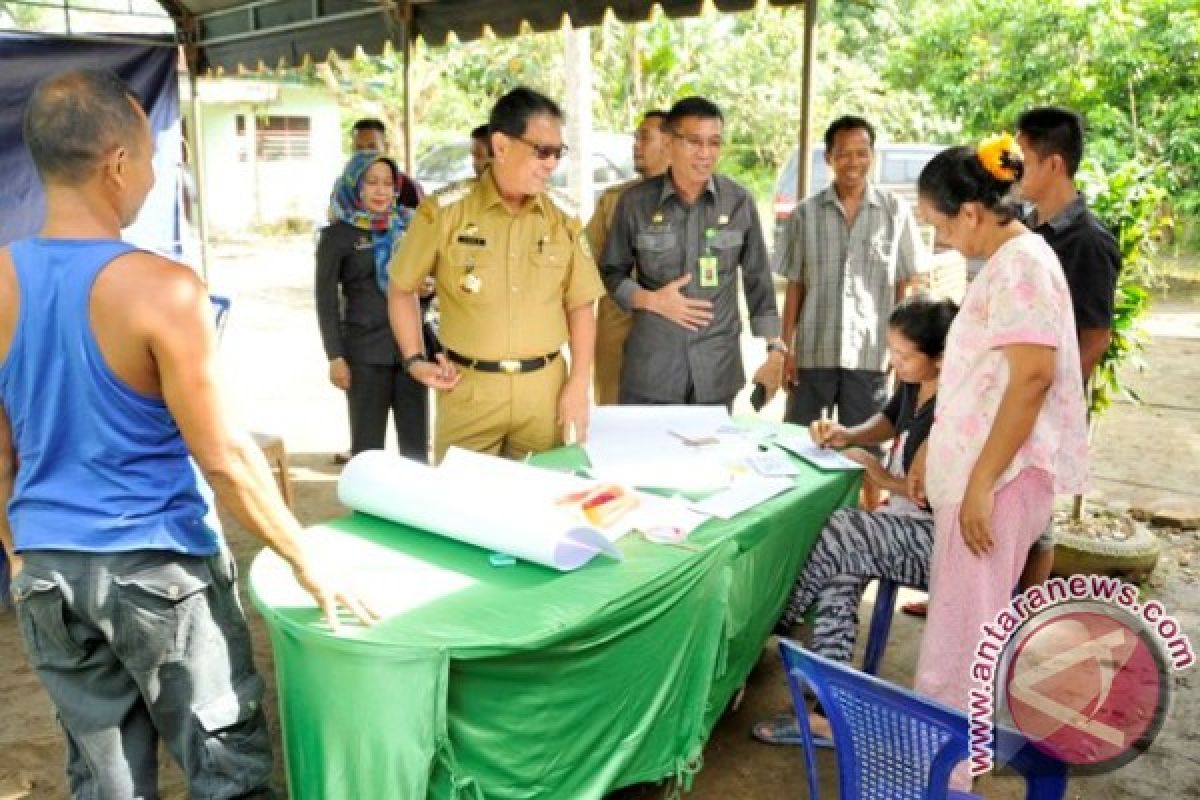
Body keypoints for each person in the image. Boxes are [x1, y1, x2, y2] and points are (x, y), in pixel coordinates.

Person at [0, 69, 373, 798]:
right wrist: (306, 558)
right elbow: (226, 455)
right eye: (147, 155)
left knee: (104, 780)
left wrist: (19, 552)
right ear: (116, 166)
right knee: (224, 767)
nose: (150, 171)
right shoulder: (163, 289)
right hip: (157, 572)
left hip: (49, 572)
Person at [911, 135, 1089, 790]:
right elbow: (986, 378)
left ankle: (950, 773)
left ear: (973, 213)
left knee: (966, 634)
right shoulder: (1014, 259)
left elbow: (1033, 378)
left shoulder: (1019, 265)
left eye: (939, 224)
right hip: (989, 477)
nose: (943, 241)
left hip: (1003, 482)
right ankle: (950, 761)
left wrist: (983, 479)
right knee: (962, 625)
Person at [750, 297, 956, 746]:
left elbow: (935, 496)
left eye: (904, 355)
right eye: (891, 350)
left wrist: (881, 476)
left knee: (842, 530)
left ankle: (779, 621)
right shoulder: (915, 383)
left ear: (940, 358)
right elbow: (887, 421)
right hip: (906, 525)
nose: (893, 362)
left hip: (943, 542)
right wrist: (848, 434)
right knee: (840, 571)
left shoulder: (957, 405)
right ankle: (828, 709)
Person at [388, 87, 605, 462]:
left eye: (558, 152)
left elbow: (581, 305)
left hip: (544, 393)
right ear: (501, 145)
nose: (552, 163)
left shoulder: (563, 218)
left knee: (540, 503)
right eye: (543, 151)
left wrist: (578, 384)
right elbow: (401, 289)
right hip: (468, 389)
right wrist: (414, 360)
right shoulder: (444, 213)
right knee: (461, 508)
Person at [600, 96, 785, 408]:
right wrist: (651, 300)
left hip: (715, 371)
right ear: (669, 144)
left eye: (714, 143)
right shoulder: (635, 204)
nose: (705, 154)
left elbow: (758, 280)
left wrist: (774, 347)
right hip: (653, 370)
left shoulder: (738, 202)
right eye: (694, 142)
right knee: (652, 457)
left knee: (712, 456)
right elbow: (611, 272)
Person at [1015, 106, 1122, 588]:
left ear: (1053, 164)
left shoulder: (1089, 242)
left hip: (1042, 398)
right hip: (1016, 389)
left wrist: (1049, 398)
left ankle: (1020, 623)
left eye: (1023, 159)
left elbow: (1096, 336)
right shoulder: (1026, 225)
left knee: (1036, 518)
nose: (1016, 171)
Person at [776, 115, 921, 431]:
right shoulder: (805, 214)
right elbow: (795, 287)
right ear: (829, 157)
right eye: (843, 153)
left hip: (871, 355)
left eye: (861, 152)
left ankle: (866, 484)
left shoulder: (895, 211)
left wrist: (902, 352)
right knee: (799, 441)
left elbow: (904, 287)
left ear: (872, 155)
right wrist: (785, 350)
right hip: (813, 353)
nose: (853, 162)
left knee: (868, 449)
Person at [316, 151, 429, 461]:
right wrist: (335, 356)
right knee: (367, 454)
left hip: (412, 355)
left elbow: (428, 291)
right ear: (356, 186)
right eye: (372, 182)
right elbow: (325, 300)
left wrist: (427, 290)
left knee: (416, 451)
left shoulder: (410, 227)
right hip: (364, 356)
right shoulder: (336, 236)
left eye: (389, 183)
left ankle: (414, 510)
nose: (381, 191)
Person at [585, 109, 671, 405]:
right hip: (617, 331)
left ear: (670, 144)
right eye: (635, 138)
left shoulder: (695, 201)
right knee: (613, 417)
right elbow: (584, 260)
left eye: (644, 137)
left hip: (669, 335)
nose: (636, 145)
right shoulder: (613, 201)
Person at [349, 117, 423, 209]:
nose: (365, 153)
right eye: (359, 148)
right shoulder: (345, 188)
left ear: (386, 148)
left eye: (372, 147)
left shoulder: (408, 187)